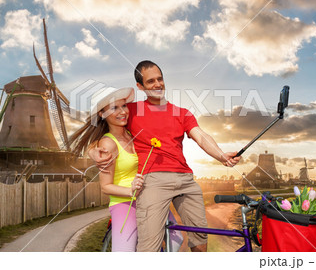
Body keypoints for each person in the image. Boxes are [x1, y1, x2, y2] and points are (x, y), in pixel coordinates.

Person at [92, 61, 241, 252]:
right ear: (141, 86)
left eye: (160, 79)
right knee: (150, 246)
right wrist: (93, 149)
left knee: (199, 237)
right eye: (151, 81)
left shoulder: (182, 113)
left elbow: (201, 136)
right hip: (153, 180)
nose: (157, 84)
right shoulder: (132, 111)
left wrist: (221, 155)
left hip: (186, 179)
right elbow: (107, 128)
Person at [69, 86, 182, 252]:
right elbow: (105, 187)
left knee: (176, 238)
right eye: (114, 108)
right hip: (124, 204)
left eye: (123, 106)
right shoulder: (107, 144)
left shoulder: (132, 133)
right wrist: (131, 191)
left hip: (149, 201)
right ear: (102, 114)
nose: (123, 111)